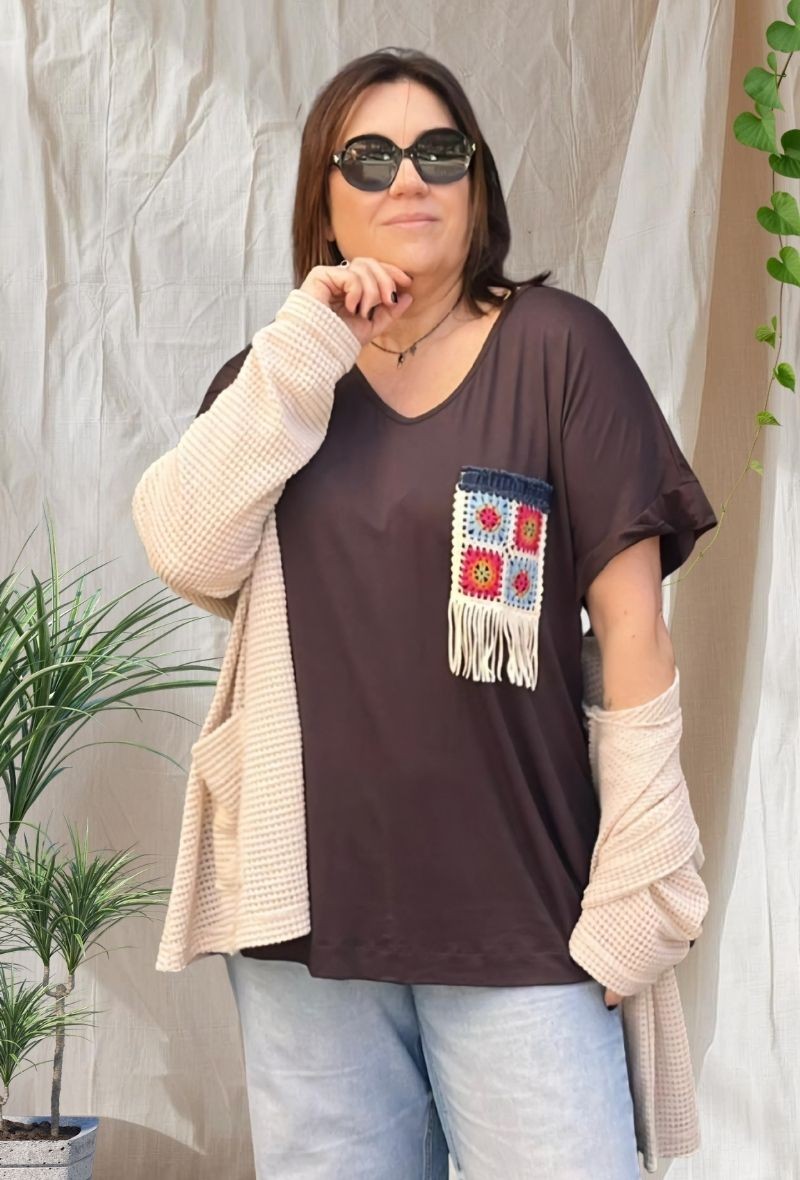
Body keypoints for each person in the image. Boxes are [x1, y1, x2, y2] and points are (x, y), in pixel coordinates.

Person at [132, 46, 718, 1180]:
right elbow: (185, 547)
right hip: (311, 936)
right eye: (370, 157)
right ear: (324, 199)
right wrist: (310, 342)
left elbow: (635, 637)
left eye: (438, 152)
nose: (408, 176)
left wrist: (642, 884)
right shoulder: (280, 382)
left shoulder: (559, 351)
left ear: (476, 183)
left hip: (524, 913)